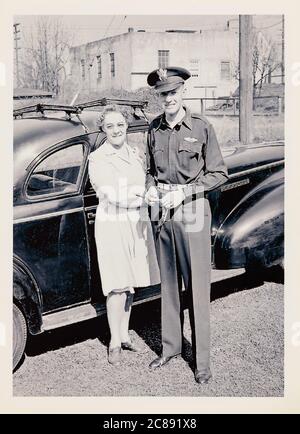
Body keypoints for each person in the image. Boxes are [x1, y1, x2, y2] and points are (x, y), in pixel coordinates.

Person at [145, 66, 228, 384]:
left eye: (173, 92)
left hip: (193, 213)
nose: (168, 98)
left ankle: (202, 363)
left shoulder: (202, 127)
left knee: (197, 290)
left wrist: (184, 190)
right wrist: (151, 186)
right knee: (167, 287)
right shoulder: (154, 129)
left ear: (183, 93)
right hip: (163, 215)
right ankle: (170, 349)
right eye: (163, 94)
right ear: (159, 97)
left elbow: (219, 173)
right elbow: (151, 169)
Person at [88, 105, 160, 366]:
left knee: (130, 283)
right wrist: (144, 198)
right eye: (110, 126)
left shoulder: (135, 153)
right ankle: (114, 342)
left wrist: (149, 192)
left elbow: (144, 182)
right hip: (113, 225)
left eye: (120, 125)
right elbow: (110, 193)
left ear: (127, 126)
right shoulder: (97, 158)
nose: (116, 130)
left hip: (135, 224)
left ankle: (125, 335)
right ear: (103, 130)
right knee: (117, 285)